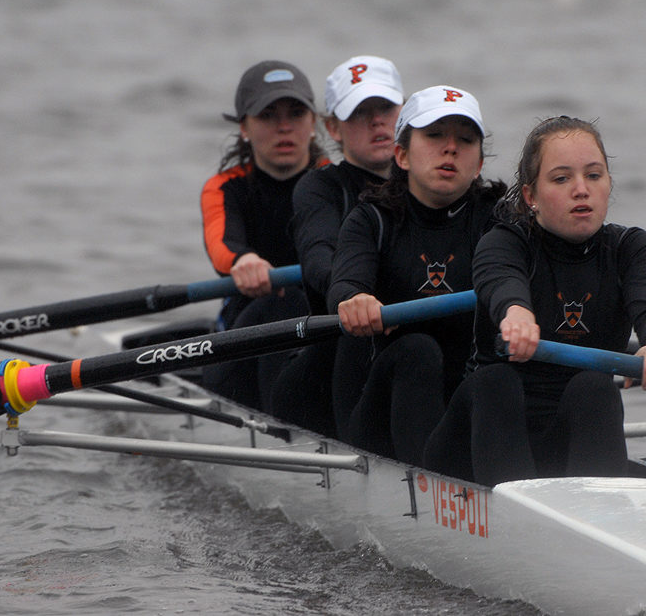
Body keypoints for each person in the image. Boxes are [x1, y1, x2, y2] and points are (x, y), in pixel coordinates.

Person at [423, 116, 646, 486]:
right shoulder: (504, 241)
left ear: (609, 183)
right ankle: (518, 519)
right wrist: (516, 313)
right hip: (476, 445)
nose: (581, 189)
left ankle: (599, 516)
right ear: (530, 197)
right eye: (562, 179)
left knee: (595, 388)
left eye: (594, 175)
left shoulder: (633, 249)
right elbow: (501, 279)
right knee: (496, 381)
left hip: (565, 442)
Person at [327, 85, 505, 464]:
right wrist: (355, 300)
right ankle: (428, 490)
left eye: (466, 139)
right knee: (418, 350)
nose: (451, 148)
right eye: (435, 135)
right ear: (402, 155)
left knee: (499, 378)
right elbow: (345, 283)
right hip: (376, 417)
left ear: (478, 166)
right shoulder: (371, 219)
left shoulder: (499, 222)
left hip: (462, 409)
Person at [260, 55, 404, 434]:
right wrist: (352, 295)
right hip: (325, 371)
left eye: (385, 107)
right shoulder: (320, 187)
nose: (377, 121)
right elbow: (317, 254)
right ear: (333, 128)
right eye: (361, 112)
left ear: (404, 112)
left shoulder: (435, 185)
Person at [199, 60, 324, 410]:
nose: (284, 127)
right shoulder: (225, 188)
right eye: (268, 115)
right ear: (244, 127)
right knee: (280, 302)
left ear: (313, 123)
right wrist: (244, 260)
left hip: (325, 320)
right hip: (249, 321)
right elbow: (221, 245)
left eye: (296, 113)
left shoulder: (336, 181)